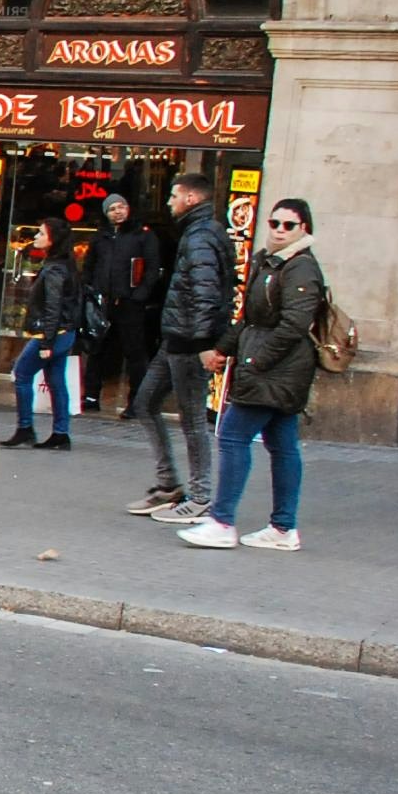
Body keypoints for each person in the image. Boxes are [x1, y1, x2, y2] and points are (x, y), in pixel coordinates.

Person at [181, 199, 323, 551]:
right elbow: (249, 318)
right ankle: (283, 528)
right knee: (282, 444)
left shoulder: (301, 268)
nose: (279, 229)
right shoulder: (269, 261)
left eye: (289, 225)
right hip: (268, 366)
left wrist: (254, 361)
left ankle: (222, 521)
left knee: (232, 435)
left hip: (277, 370)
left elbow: (294, 325)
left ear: (304, 229)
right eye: (274, 222)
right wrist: (223, 349)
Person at [129, 172, 235, 524]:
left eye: (174, 196)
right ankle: (168, 484)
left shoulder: (202, 236)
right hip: (176, 337)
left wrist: (205, 343)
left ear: (191, 198)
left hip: (190, 342)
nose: (169, 201)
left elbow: (205, 291)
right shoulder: (196, 232)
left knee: (191, 420)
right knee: (145, 403)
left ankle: (201, 496)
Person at [0, 217, 79, 452]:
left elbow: (53, 306)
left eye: (41, 234)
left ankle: (26, 428)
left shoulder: (55, 269)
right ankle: (60, 434)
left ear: (53, 240)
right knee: (56, 381)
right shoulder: (64, 265)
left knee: (22, 373)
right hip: (64, 332)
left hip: (52, 333)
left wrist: (46, 340)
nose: (36, 237)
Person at [80, 193, 158, 415]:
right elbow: (89, 266)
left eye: (122, 206)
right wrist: (89, 290)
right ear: (106, 213)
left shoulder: (143, 235)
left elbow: (152, 268)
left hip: (130, 303)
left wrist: (140, 294)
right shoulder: (100, 237)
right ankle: (92, 397)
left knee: (134, 353)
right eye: (113, 208)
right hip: (102, 302)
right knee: (96, 350)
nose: (118, 211)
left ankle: (136, 403)